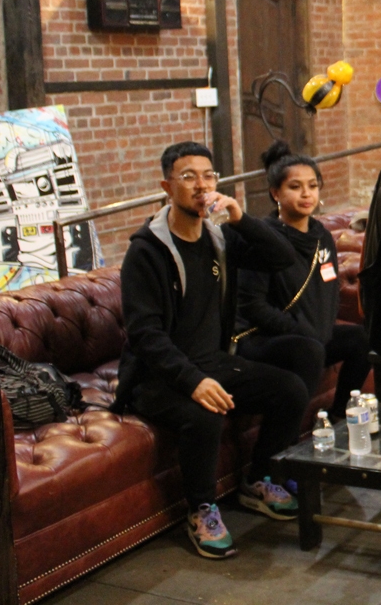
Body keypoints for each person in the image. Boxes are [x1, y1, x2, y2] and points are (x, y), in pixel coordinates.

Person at [113, 142, 308, 560]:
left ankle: (258, 479)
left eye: (208, 175)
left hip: (212, 361)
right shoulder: (146, 252)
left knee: (290, 388)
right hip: (155, 377)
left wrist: (241, 218)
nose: (201, 185)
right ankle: (202, 509)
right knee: (203, 414)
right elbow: (145, 335)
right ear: (167, 187)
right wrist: (193, 381)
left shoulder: (219, 237)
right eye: (188, 177)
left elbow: (282, 257)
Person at [236, 141, 371, 415]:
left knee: (363, 337)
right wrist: (303, 331)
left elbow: (328, 289)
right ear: (275, 193)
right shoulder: (263, 239)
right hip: (269, 339)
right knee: (309, 350)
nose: (306, 193)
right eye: (295, 187)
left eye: (312, 185)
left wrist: (320, 328)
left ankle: (341, 416)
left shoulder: (321, 235)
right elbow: (253, 307)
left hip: (313, 334)